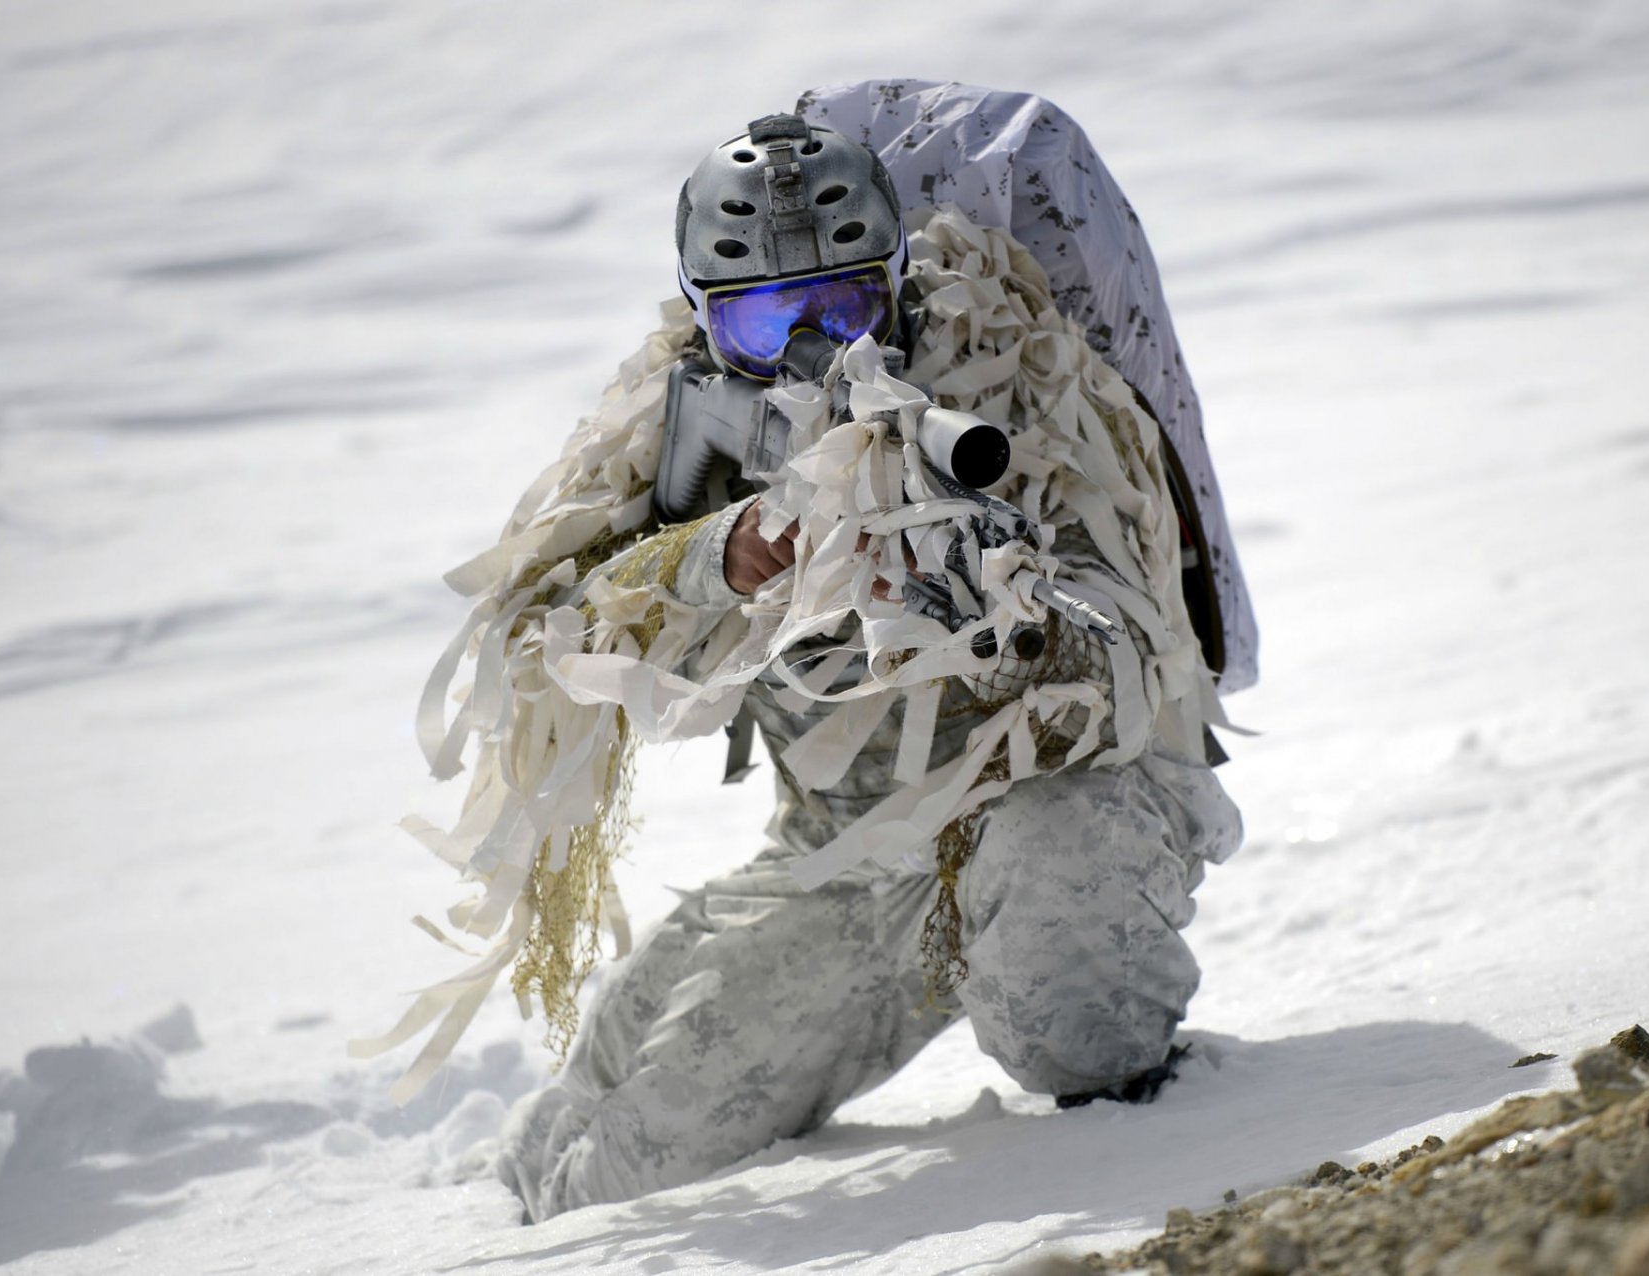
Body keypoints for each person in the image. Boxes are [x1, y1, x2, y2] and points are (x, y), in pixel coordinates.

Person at [469, 103, 1251, 1223]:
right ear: (703, 324)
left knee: (1072, 1010)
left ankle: (1150, 1130)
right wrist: (714, 558)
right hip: (840, 854)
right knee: (630, 1158)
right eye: (764, 319)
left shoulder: (1024, 388)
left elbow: (1141, 648)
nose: (807, 350)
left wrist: (1004, 615)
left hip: (1048, 810)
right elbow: (550, 631)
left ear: (895, 284)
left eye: (840, 306)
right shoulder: (683, 419)